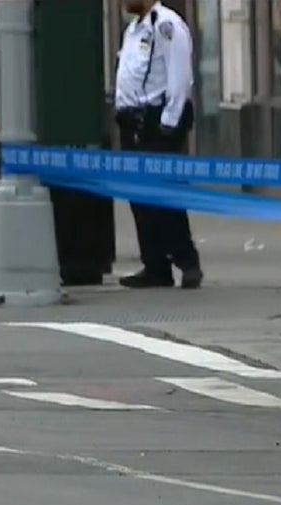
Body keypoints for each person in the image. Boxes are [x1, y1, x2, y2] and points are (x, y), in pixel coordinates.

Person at [113, 0, 203, 290]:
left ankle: (187, 261)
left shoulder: (166, 25)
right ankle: (155, 265)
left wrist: (169, 122)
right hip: (133, 124)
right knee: (140, 199)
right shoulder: (134, 28)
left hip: (155, 123)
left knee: (165, 195)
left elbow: (179, 77)